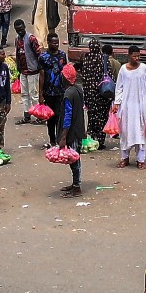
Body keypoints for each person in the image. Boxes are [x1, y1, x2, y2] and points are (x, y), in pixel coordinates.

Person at [111, 46, 146, 167]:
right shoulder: (123, 70)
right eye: (134, 56)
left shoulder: (144, 69)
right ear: (129, 55)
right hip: (125, 107)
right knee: (125, 132)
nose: (137, 58)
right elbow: (119, 88)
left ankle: (140, 160)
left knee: (140, 132)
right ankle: (124, 158)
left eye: (138, 56)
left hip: (140, 106)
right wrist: (117, 103)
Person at [57, 64, 86, 195]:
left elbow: (68, 116)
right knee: (75, 157)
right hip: (78, 129)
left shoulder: (69, 94)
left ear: (66, 78)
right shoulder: (78, 90)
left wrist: (63, 137)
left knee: (74, 159)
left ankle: (76, 187)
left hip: (72, 132)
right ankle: (75, 183)